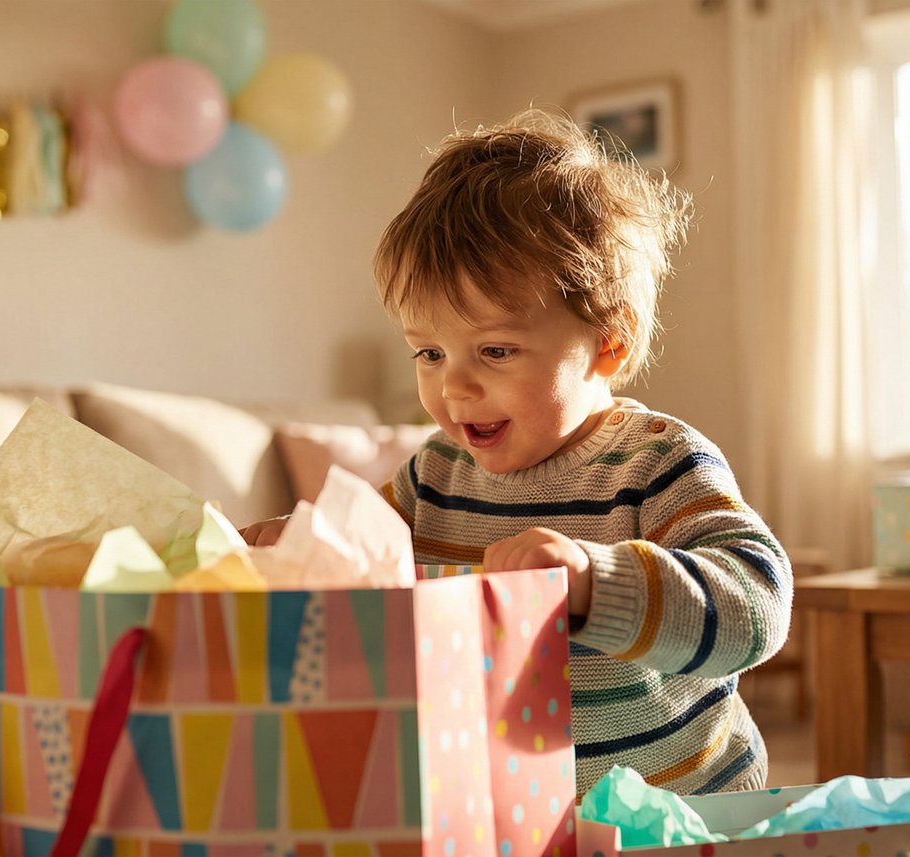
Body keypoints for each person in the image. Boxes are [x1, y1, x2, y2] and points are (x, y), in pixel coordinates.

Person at [243, 108, 792, 797]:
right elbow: (362, 568)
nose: (453, 385)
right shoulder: (433, 476)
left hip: (678, 808)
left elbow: (758, 604)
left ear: (608, 342)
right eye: (429, 351)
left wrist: (598, 581)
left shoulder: (659, 464)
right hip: (509, 803)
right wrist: (293, 551)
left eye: (495, 350)